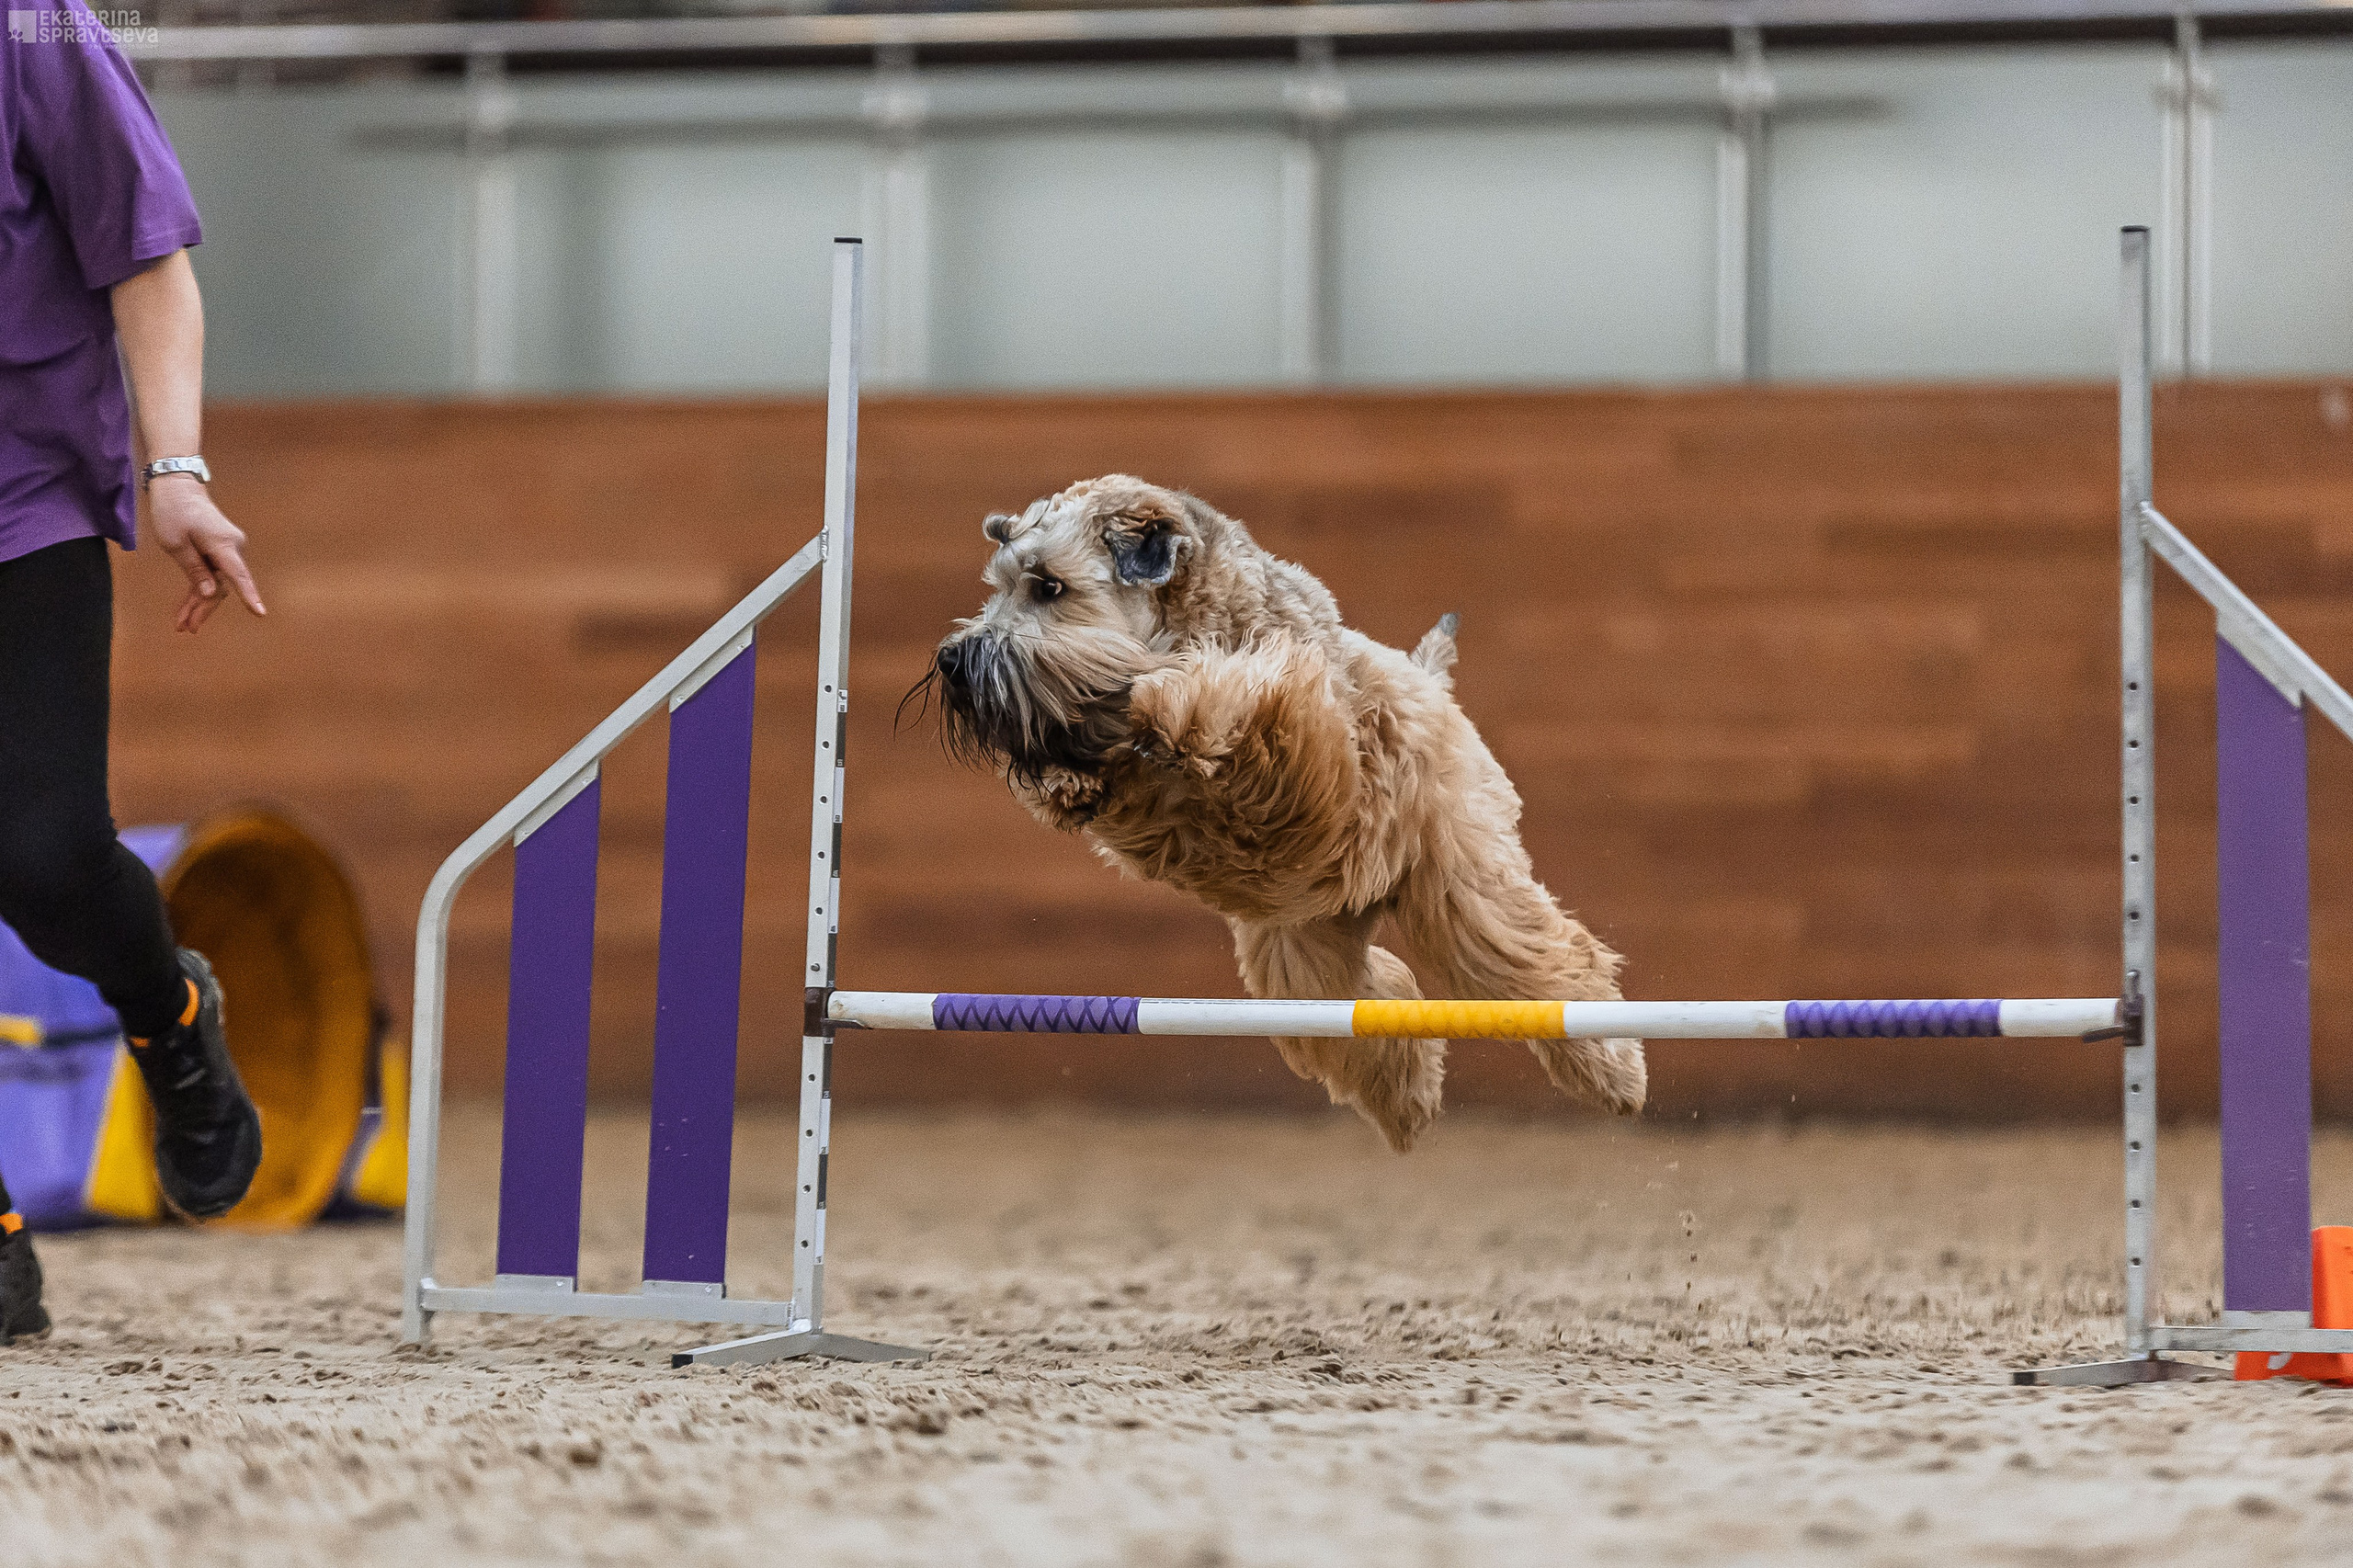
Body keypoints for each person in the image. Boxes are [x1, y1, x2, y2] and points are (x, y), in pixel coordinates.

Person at [1, 0, 268, 1345]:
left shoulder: (37, 36)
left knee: (45, 857)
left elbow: (147, 256)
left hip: (21, 504)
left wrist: (176, 471)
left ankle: (169, 1012)